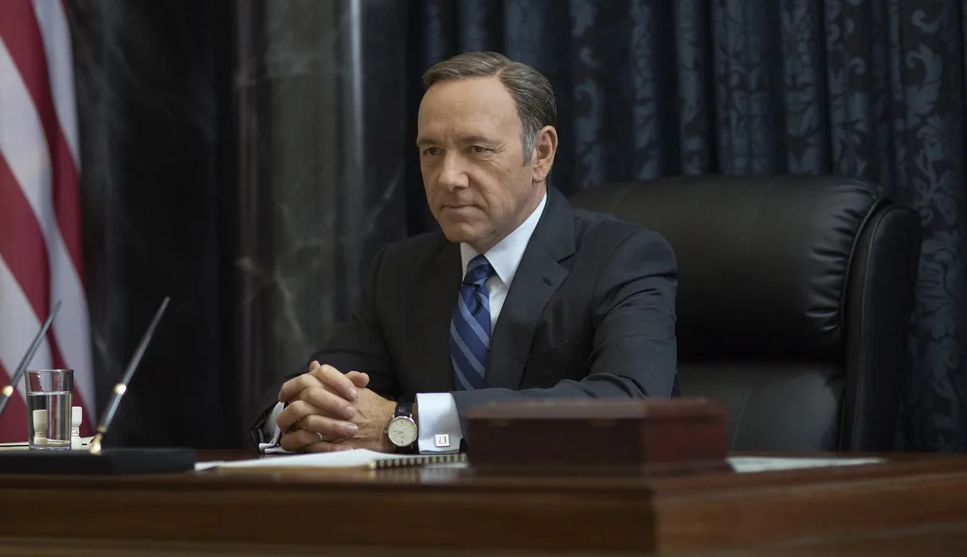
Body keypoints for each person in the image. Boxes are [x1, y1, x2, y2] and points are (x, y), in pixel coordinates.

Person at [249, 51, 678, 454]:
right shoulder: (400, 270)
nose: (448, 177)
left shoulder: (622, 258)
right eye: (432, 152)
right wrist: (300, 416)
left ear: (541, 154)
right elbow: (314, 386)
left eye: (477, 149)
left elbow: (633, 401)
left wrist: (409, 423)